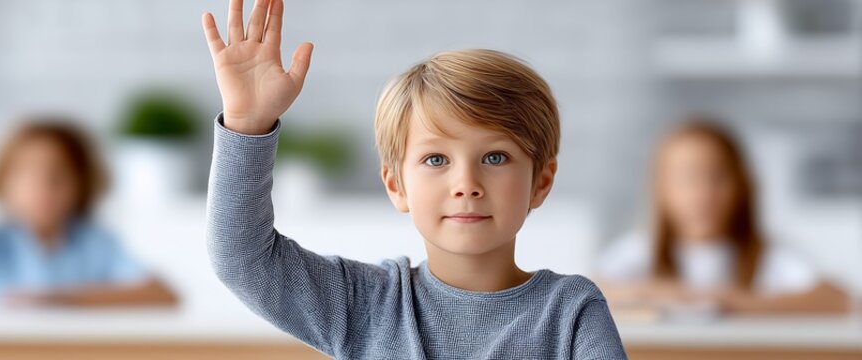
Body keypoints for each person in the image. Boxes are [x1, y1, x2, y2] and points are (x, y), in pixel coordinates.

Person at [200, 0, 627, 358]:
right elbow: (242, 258)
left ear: (541, 182)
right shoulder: (364, 304)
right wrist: (246, 125)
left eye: (495, 157)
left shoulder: (572, 313)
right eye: (436, 159)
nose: (466, 184)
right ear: (396, 185)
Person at [0, 67, 177, 307]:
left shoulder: (97, 245)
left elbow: (163, 294)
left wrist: (58, 300)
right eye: (26, 173)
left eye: (57, 175)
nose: (42, 187)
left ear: (81, 183)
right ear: (3, 181)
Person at [597, 117, 850, 314]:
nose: (704, 193)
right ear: (661, 190)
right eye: (687, 179)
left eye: (718, 178)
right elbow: (592, 291)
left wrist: (730, 302)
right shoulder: (642, 249)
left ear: (741, 186)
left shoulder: (769, 256)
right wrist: (673, 296)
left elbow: (837, 298)